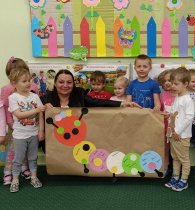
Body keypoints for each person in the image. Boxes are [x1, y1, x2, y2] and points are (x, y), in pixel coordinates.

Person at [39, 69, 141, 153]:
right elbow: (38, 120)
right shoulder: (45, 99)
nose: (65, 85)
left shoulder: (79, 94)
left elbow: (97, 102)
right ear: (55, 84)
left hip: (77, 140)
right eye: (61, 82)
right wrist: (43, 110)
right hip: (56, 143)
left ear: (73, 84)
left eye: (69, 82)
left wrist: (122, 104)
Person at [8, 68, 46, 193]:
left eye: (29, 80)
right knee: (18, 159)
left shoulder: (35, 96)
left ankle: (34, 177)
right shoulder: (13, 97)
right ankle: (15, 180)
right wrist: (36, 110)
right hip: (20, 135)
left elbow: (41, 114)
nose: (28, 83)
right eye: (24, 81)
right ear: (14, 83)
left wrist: (41, 131)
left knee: (33, 157)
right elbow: (19, 115)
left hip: (34, 133)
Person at [1, 57, 38, 185]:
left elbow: (36, 105)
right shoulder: (6, 89)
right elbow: (6, 108)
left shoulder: (32, 86)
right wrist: (10, 123)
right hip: (14, 125)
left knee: (28, 149)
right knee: (13, 149)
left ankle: (24, 168)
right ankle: (8, 172)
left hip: (30, 125)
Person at [164, 67, 194, 192]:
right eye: (172, 83)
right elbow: (175, 113)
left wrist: (178, 132)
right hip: (173, 134)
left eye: (176, 84)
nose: (172, 86)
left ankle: (184, 180)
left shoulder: (187, 100)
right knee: (175, 157)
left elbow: (189, 118)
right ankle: (175, 177)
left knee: (184, 159)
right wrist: (168, 115)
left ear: (185, 84)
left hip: (182, 135)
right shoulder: (177, 97)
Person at [159, 69, 176, 174]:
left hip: (177, 128)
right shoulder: (164, 95)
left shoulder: (180, 95)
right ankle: (166, 165)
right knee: (165, 148)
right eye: (165, 81)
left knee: (176, 148)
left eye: (170, 80)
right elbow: (161, 109)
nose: (167, 83)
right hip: (165, 127)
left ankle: (176, 167)